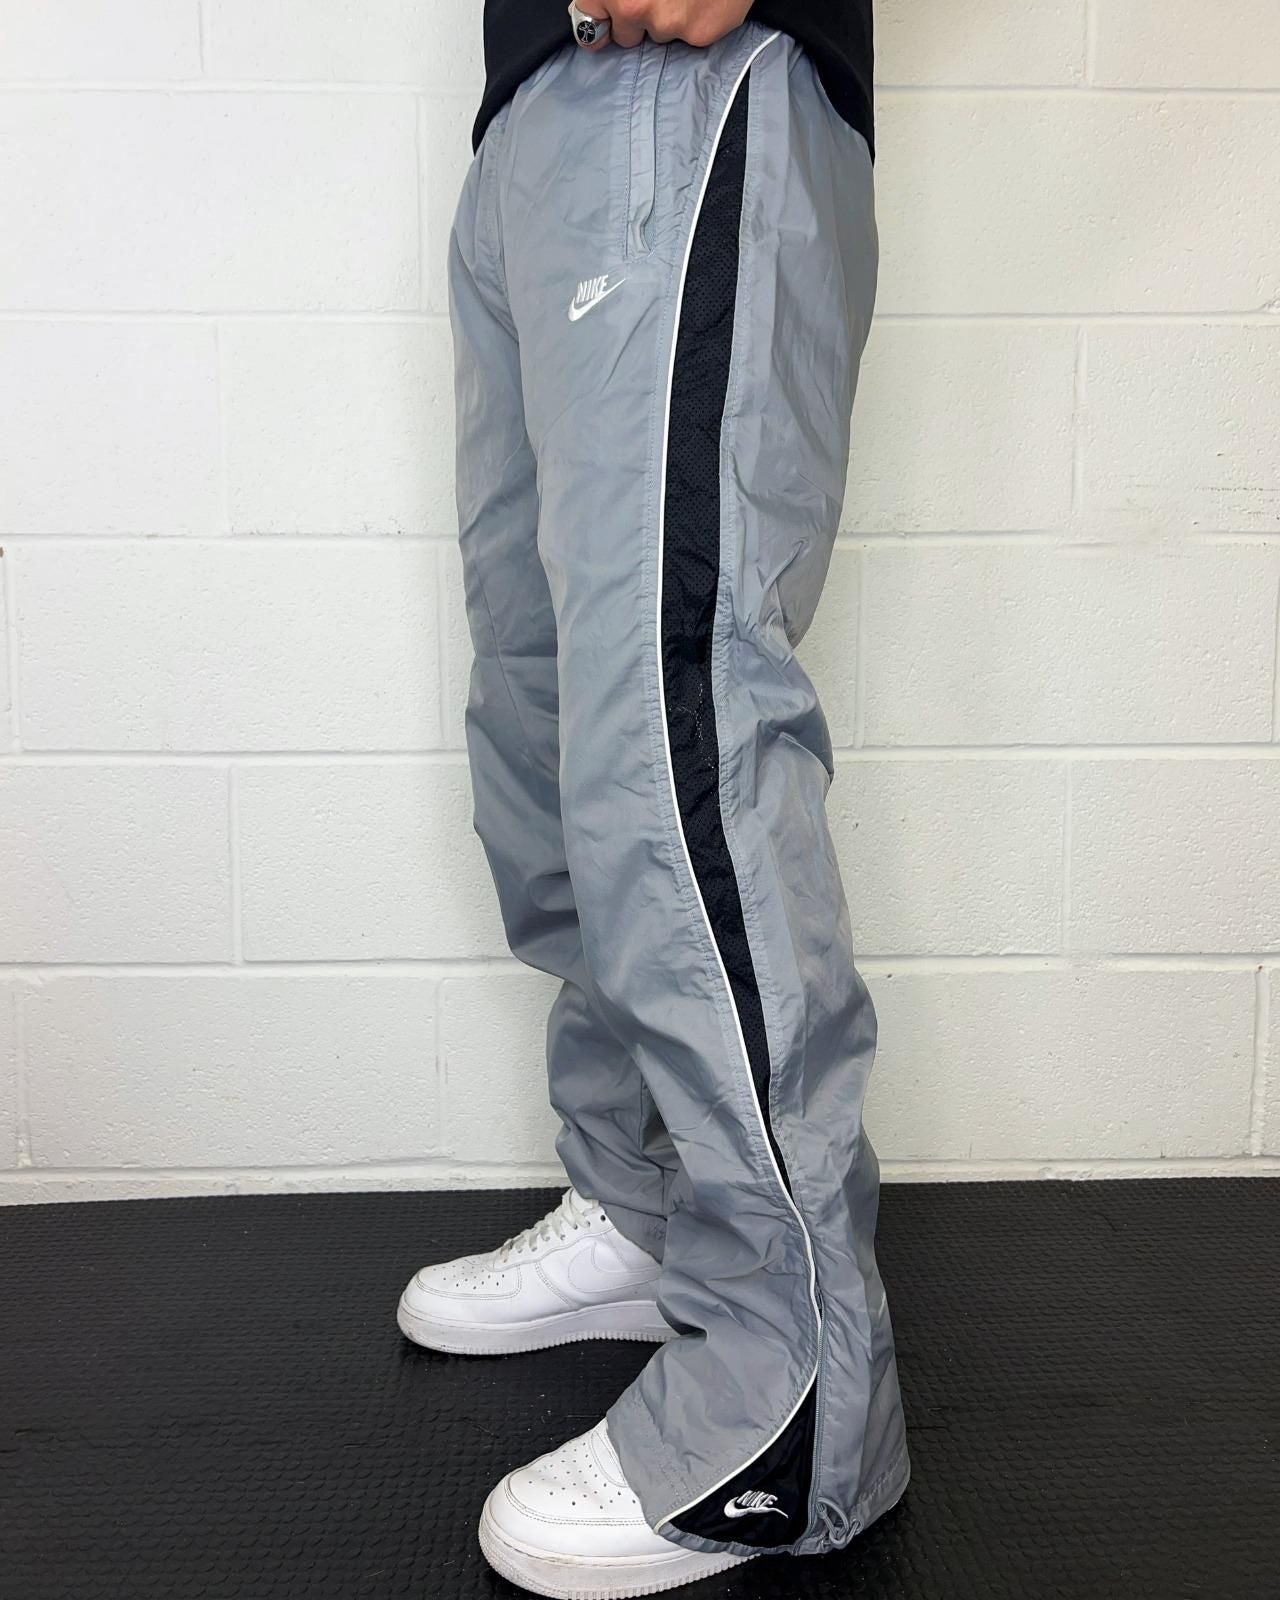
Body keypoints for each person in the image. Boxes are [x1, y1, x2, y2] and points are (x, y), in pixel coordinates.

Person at [398, 2, 908, 1593]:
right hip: (535, 110)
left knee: (672, 726)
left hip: (691, 79)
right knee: (544, 712)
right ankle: (645, 1206)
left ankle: (792, 1394)